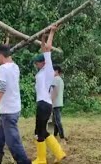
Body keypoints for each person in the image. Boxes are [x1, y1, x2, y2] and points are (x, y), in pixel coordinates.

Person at [0, 45, 31, 164]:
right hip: (12, 109)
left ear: (0, 55)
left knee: (14, 143)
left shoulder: (3, 68)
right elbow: (8, 88)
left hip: (8, 112)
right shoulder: (15, 67)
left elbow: (2, 89)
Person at [32, 25, 66, 164]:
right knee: (41, 131)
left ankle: (42, 159)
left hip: (44, 104)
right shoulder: (42, 71)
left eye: (36, 62)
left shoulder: (48, 68)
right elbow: (43, 48)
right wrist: (42, 37)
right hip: (43, 103)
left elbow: (48, 48)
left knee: (40, 131)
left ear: (42, 63)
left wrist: (52, 32)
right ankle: (59, 153)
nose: (35, 64)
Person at [51, 65, 66, 143]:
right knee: (55, 121)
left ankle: (62, 138)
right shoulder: (60, 79)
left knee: (57, 121)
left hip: (56, 103)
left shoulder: (55, 79)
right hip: (59, 103)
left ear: (56, 71)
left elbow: (55, 91)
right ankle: (55, 135)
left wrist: (51, 100)